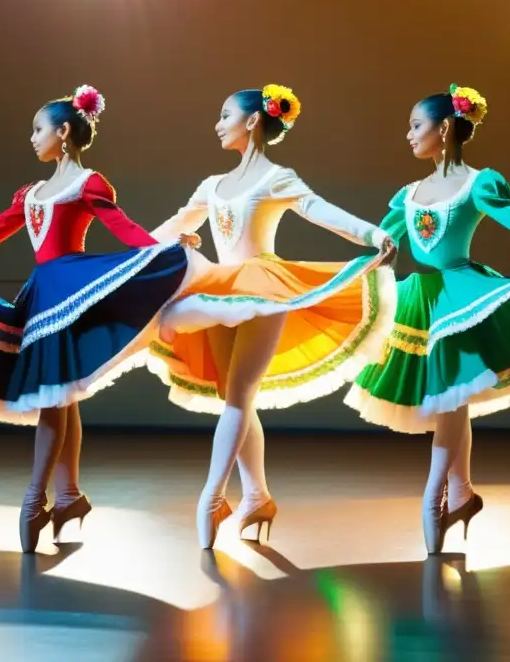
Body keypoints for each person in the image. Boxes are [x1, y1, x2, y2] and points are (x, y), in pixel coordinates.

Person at [0, 85, 195, 552]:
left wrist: (163, 253)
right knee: (62, 397)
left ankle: (36, 499)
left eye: (38, 129)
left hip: (69, 289)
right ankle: (68, 495)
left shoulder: (89, 183)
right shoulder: (30, 194)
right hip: (43, 293)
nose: (31, 138)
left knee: (54, 396)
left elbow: (123, 228)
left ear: (63, 131)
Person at [345, 85, 510, 554]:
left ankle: (434, 496)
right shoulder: (409, 193)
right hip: (421, 297)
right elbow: (385, 243)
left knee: (450, 397)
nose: (408, 135)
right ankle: (461, 493)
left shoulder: (479, 183)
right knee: (450, 397)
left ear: (444, 129)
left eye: (416, 125)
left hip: (462, 296)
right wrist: (345, 279)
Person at [147, 84, 398, 548]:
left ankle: (212, 497)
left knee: (240, 396)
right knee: (235, 401)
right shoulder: (212, 185)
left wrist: (372, 234)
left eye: (226, 115)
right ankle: (257, 496)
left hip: (264, 288)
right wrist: (130, 255)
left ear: (253, 121)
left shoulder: (276, 178)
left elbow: (320, 211)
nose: (217, 124)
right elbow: (176, 224)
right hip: (219, 289)